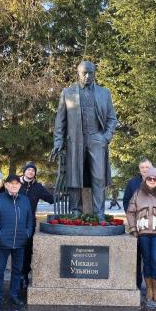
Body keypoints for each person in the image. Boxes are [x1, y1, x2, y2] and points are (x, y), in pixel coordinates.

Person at [51, 60, 117, 220]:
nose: (87, 76)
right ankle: (76, 211)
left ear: (94, 74)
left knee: (99, 177)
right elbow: (60, 121)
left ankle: (99, 213)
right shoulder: (68, 92)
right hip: (75, 140)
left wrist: (105, 137)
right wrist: (58, 141)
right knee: (75, 176)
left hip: (97, 139)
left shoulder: (104, 93)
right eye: (84, 73)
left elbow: (112, 118)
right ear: (78, 73)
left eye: (90, 73)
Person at [126, 167, 156, 304]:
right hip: (143, 233)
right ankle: (149, 289)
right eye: (149, 178)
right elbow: (130, 212)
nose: (152, 181)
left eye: (155, 179)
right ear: (145, 179)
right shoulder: (138, 193)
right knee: (146, 261)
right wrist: (133, 229)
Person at [0, 174, 34, 307]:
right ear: (6, 185)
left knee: (17, 270)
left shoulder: (25, 200)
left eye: (17, 184)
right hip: (2, 242)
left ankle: (14, 295)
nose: (14, 186)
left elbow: (30, 219)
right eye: (11, 183)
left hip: (20, 241)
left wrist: (27, 233)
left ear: (20, 186)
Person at [19, 161, 54, 291]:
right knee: (16, 249)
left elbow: (51, 199)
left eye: (33, 171)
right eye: (28, 170)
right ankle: (16, 275)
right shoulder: (16, 183)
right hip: (14, 221)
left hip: (29, 223)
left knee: (27, 249)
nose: (31, 172)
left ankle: (24, 275)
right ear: (24, 171)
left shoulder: (38, 187)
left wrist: (61, 195)